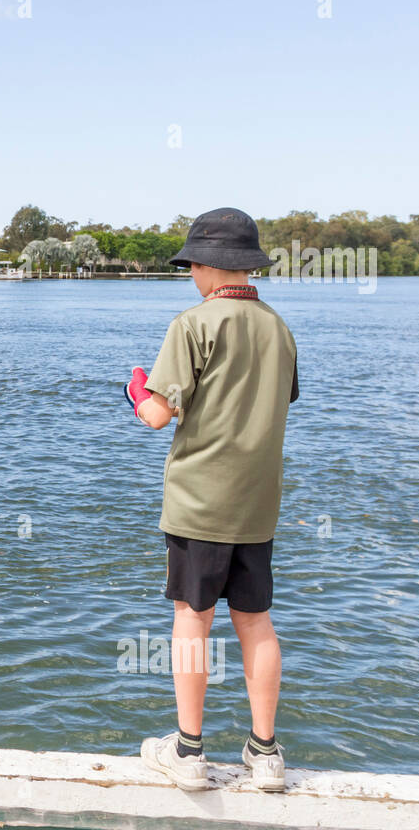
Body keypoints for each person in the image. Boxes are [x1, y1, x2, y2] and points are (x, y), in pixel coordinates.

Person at [123, 207, 299, 793]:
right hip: (258, 504)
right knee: (256, 622)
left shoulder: (193, 324)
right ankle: (266, 753)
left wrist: (134, 388)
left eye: (190, 267)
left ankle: (189, 751)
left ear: (204, 266)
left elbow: (156, 415)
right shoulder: (278, 327)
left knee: (192, 620)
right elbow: (280, 400)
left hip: (200, 501)